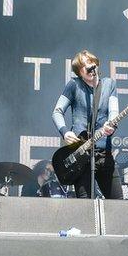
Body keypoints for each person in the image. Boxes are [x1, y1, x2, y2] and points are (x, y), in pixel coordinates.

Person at [51, 50, 122, 199]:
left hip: (104, 153)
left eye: (90, 63)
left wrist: (111, 125)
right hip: (81, 154)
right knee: (85, 207)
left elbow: (114, 111)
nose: (89, 67)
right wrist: (65, 132)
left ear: (96, 64)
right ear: (79, 72)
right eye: (84, 66)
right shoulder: (73, 85)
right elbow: (57, 112)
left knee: (118, 205)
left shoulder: (109, 85)